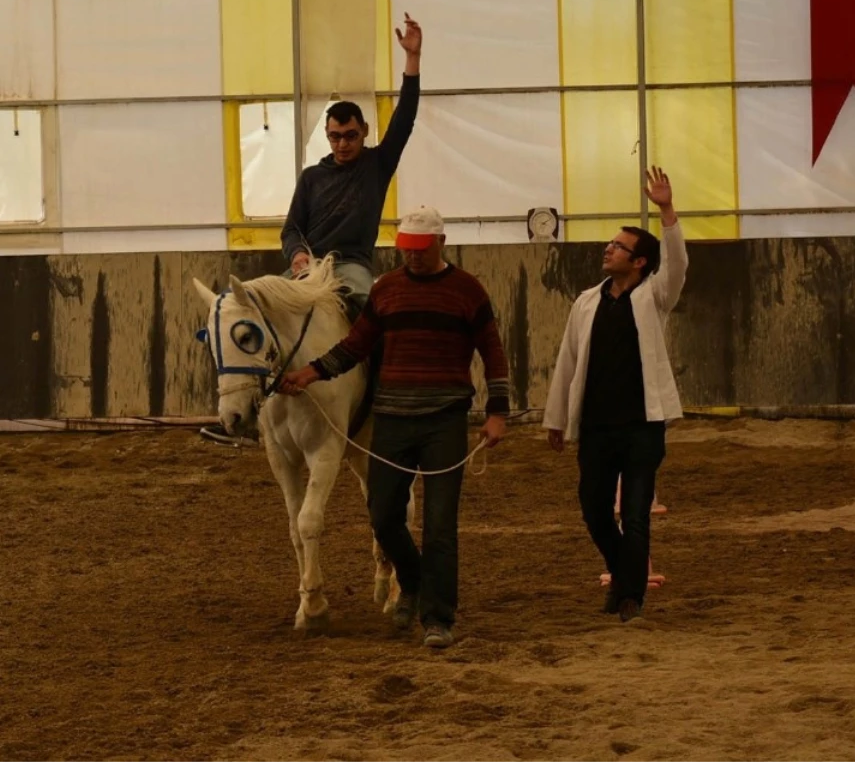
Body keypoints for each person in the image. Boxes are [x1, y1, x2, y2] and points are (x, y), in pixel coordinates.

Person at [279, 206, 510, 649]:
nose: (414, 257)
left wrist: (497, 411)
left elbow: (492, 352)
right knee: (383, 516)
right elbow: (354, 346)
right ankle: (414, 580)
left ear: (441, 242)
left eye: (421, 249)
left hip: (444, 420)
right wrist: (310, 373)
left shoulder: (468, 291)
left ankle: (438, 618)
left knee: (441, 525)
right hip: (393, 418)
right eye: (406, 249)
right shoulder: (386, 290)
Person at [200, 14, 424, 448]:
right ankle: (249, 415)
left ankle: (383, 398)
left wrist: (412, 60)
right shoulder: (310, 177)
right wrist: (298, 255)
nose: (343, 143)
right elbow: (291, 228)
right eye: (336, 136)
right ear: (327, 135)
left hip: (352, 267)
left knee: (369, 312)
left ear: (364, 134)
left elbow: (407, 118)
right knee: (251, 315)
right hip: (307, 269)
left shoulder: (377, 166)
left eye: (351, 136)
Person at [543, 166, 688, 623]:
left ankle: (630, 598)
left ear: (640, 261)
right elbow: (567, 362)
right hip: (597, 427)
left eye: (619, 246)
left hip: (643, 426)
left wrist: (666, 210)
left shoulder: (654, 296)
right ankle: (623, 574)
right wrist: (556, 418)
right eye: (610, 244)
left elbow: (678, 264)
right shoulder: (586, 302)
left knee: (638, 515)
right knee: (593, 511)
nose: (609, 249)